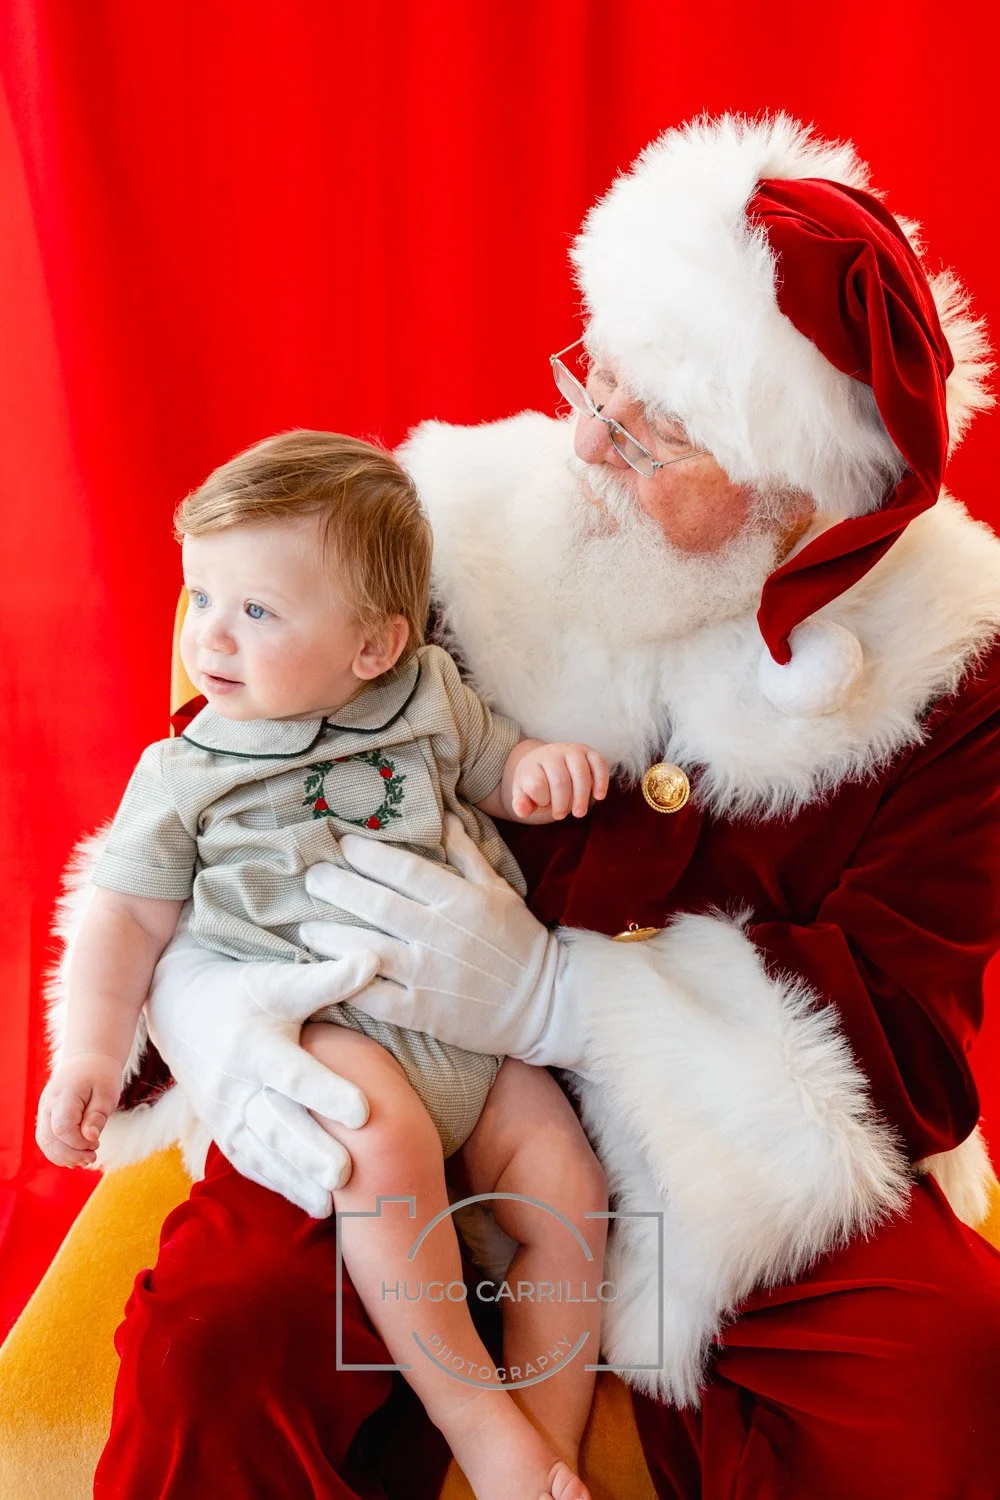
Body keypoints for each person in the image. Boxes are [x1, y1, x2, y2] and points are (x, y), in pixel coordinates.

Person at [47, 113, 1000, 1497]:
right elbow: (211, 788)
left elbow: (909, 1029)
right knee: (217, 1353)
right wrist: (210, 1012)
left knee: (953, 1384)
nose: (586, 439)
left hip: (730, 1163)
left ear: (803, 500)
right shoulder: (443, 521)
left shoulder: (955, 673)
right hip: (391, 1085)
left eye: (651, 430)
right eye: (593, 380)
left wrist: (566, 1004)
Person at [36, 430, 612, 1500]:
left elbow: (496, 766)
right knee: (381, 1148)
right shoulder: (187, 770)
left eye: (256, 611)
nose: (209, 637)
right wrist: (88, 1058)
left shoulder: (424, 693)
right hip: (325, 1027)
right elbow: (119, 920)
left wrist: (540, 773)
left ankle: (545, 1443)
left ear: (372, 645)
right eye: (201, 594)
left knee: (568, 1188)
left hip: (468, 1020)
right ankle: (479, 1422)